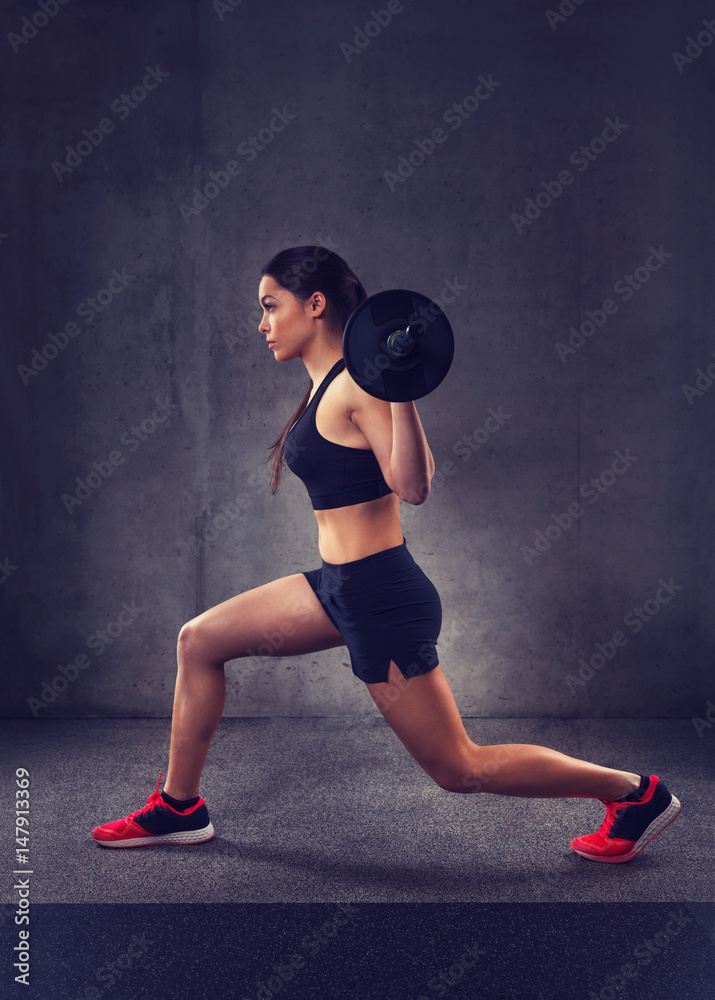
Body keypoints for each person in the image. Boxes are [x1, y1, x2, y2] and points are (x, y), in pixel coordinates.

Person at [92, 246, 681, 863]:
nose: (261, 324)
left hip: (379, 598)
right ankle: (179, 807)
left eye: (271, 307)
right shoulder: (329, 381)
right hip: (338, 587)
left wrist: (399, 383)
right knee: (199, 641)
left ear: (315, 305)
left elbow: (415, 485)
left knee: (458, 768)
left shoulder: (357, 385)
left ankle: (633, 793)